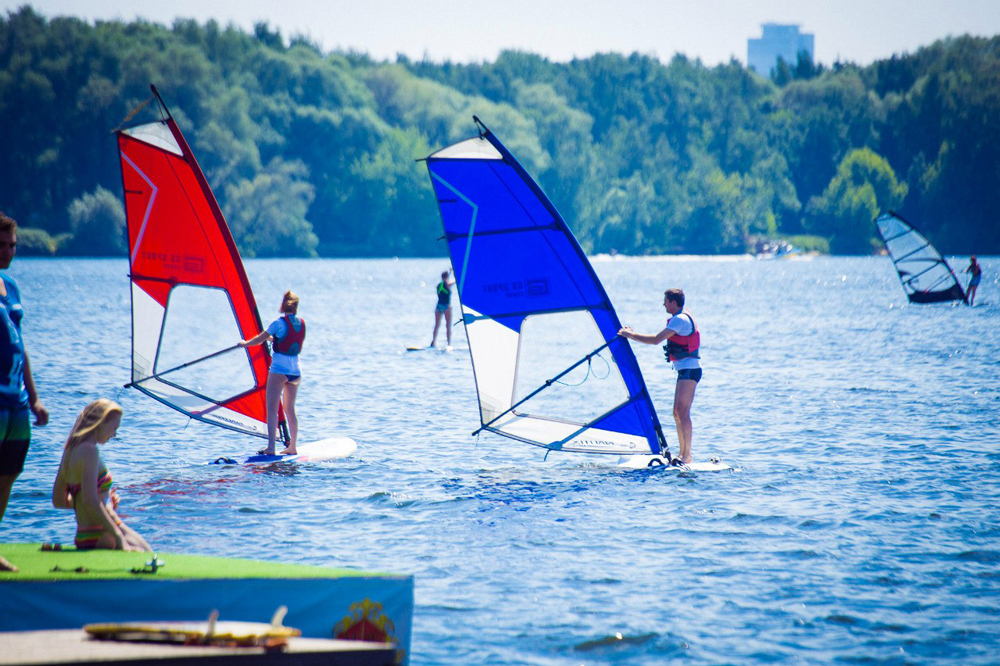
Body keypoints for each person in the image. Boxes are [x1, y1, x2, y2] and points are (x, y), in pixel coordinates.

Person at [0, 213, 48, 571]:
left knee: (9, 473)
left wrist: (34, 397)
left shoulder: (11, 286)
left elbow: (20, 345)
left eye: (12, 245)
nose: (7, 252)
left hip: (16, 400)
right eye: (1, 245)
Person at [52, 399, 151, 552]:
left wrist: (105, 502)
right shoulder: (90, 451)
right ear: (101, 422)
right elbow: (90, 500)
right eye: (114, 428)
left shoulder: (70, 450)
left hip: (84, 535)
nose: (114, 434)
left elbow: (59, 501)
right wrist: (118, 536)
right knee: (148, 555)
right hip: (103, 533)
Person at [618, 288, 701, 465]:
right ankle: (682, 454)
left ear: (673, 302)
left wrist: (629, 335)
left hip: (690, 371)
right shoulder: (680, 317)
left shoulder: (680, 319)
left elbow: (656, 339)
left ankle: (687, 456)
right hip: (684, 371)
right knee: (677, 412)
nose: (663, 304)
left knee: (683, 413)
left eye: (665, 301)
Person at [239, 290, 304, 455]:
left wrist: (245, 344)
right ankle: (293, 447)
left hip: (279, 371)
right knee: (290, 409)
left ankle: (271, 448)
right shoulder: (302, 323)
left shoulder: (277, 323)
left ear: (283, 305)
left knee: (272, 408)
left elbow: (259, 339)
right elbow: (286, 340)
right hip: (296, 371)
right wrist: (273, 340)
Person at [431, 269, 455, 348]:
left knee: (436, 325)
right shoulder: (448, 284)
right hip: (446, 307)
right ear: (447, 277)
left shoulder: (438, 285)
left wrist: (450, 272)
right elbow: (455, 280)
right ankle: (449, 343)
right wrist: (453, 271)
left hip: (438, 306)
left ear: (441, 277)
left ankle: (433, 341)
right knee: (448, 325)